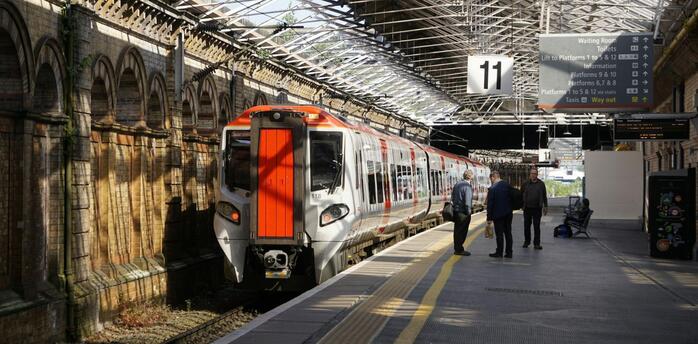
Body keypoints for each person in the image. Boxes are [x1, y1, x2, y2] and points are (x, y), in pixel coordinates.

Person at [486, 171, 513, 258]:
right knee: (508, 233)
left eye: (491, 179)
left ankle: (499, 252)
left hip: (498, 215)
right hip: (508, 214)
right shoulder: (507, 185)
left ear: (493, 177)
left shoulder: (492, 188)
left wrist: (489, 218)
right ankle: (509, 253)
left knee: (499, 234)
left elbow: (490, 204)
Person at [521, 168, 548, 250]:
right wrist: (521, 205)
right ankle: (527, 241)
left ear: (537, 174)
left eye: (535, 174)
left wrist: (545, 206)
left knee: (536, 227)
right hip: (527, 208)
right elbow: (520, 194)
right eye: (532, 173)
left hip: (537, 209)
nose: (533, 175)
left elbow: (544, 196)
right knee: (526, 226)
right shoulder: (525, 184)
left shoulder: (541, 184)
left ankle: (536, 244)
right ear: (530, 174)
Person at [451, 170, 474, 256]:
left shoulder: (457, 184)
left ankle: (457, 248)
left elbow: (452, 197)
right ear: (470, 177)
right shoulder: (467, 187)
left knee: (457, 230)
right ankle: (459, 249)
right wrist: (468, 213)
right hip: (463, 213)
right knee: (462, 231)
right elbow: (467, 202)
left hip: (456, 211)